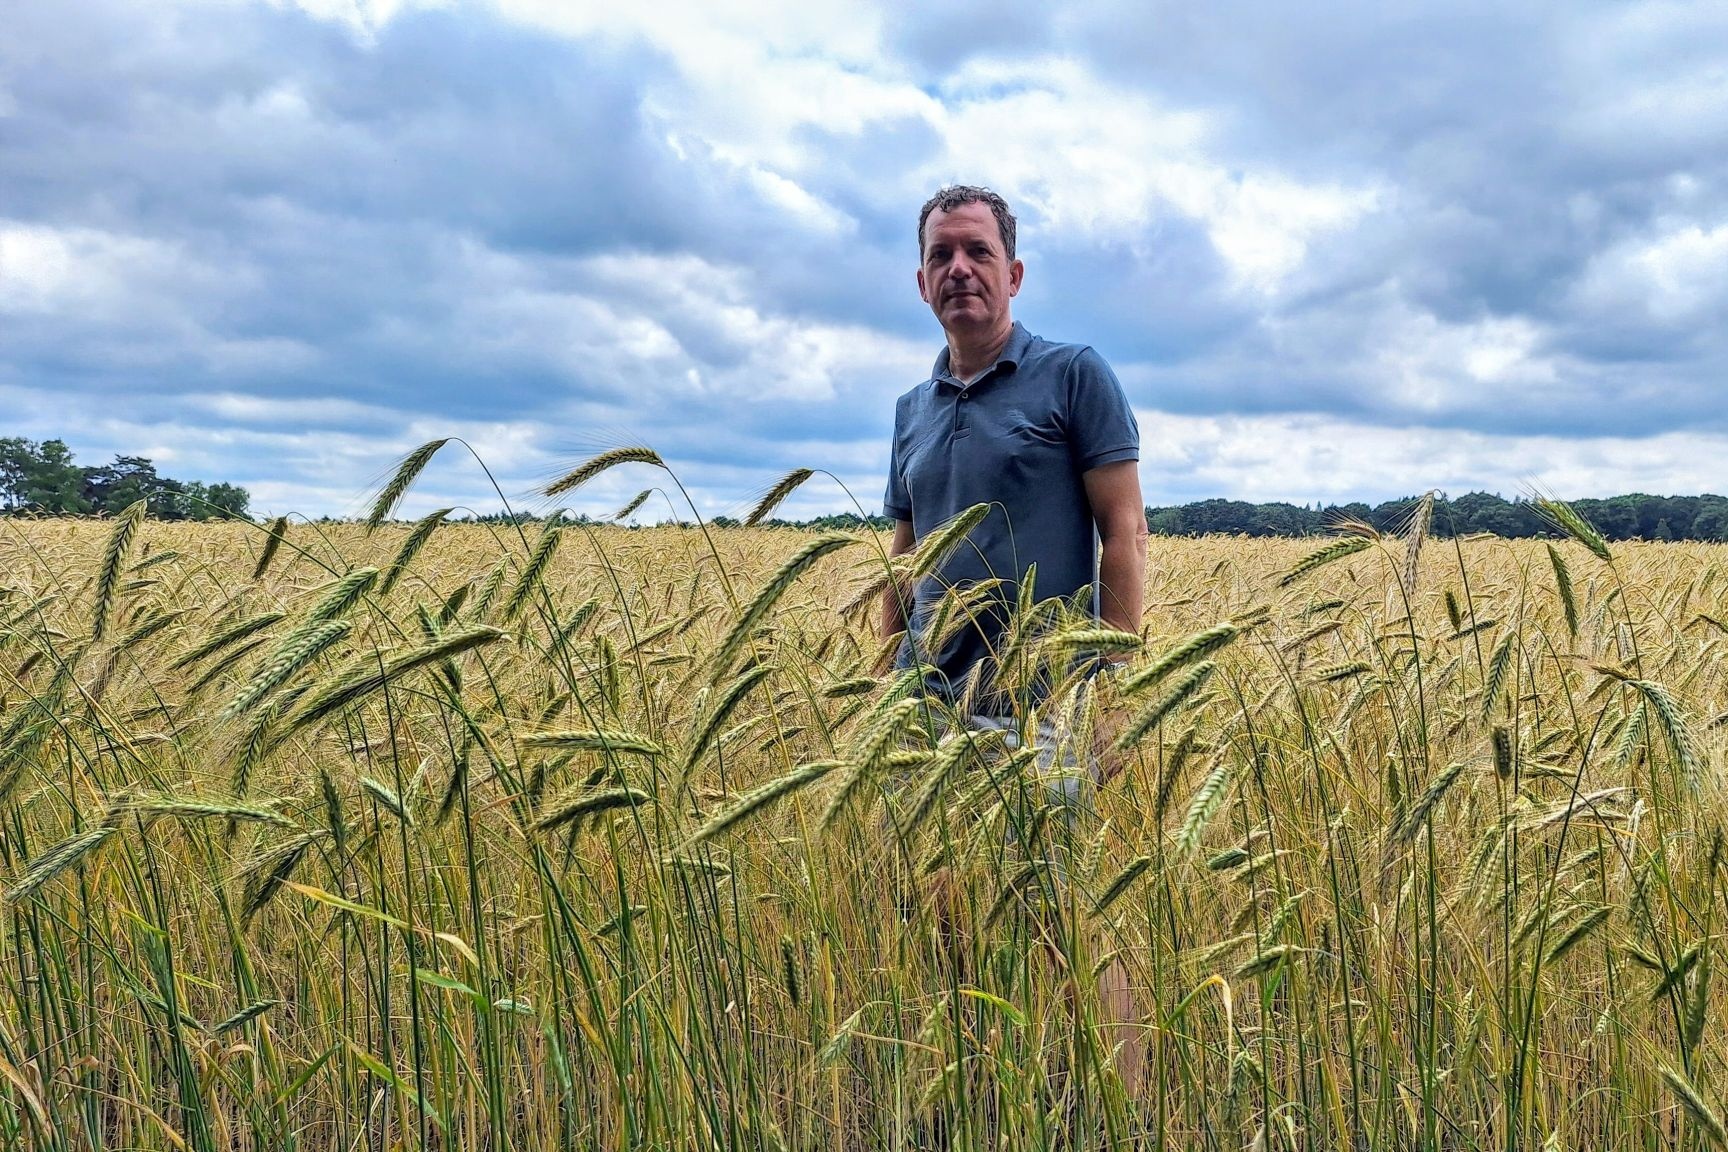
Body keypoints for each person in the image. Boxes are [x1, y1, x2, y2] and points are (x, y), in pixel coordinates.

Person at [879, 184, 1149, 1096]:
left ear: (1015, 272)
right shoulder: (911, 410)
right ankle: (988, 1090)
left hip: (1042, 709)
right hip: (931, 711)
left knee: (1062, 915)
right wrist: (881, 689)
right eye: (942, 256)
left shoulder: (1074, 375)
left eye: (978, 252)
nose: (961, 269)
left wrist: (1106, 686)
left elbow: (1126, 532)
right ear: (920, 283)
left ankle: (1109, 1101)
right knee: (946, 912)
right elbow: (905, 557)